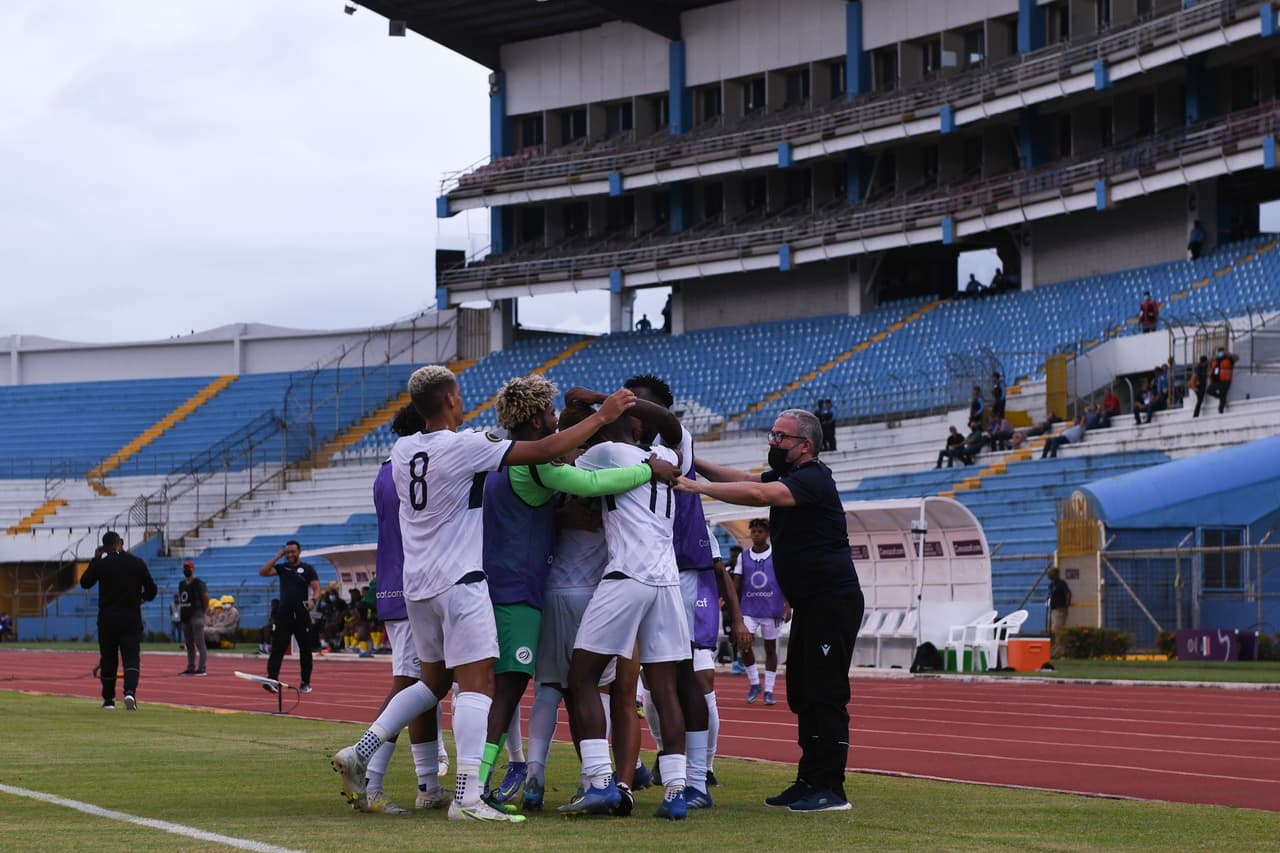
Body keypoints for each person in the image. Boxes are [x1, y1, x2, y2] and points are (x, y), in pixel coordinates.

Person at [330, 364, 637, 824]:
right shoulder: (467, 445)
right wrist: (599, 417)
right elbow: (542, 450)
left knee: (432, 683)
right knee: (480, 686)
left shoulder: (401, 449)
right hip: (461, 581)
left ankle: (363, 750)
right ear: (452, 398)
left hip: (418, 587)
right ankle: (467, 798)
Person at [478, 375, 680, 808]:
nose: (554, 419)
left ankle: (526, 776)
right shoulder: (550, 464)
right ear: (535, 420)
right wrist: (645, 464)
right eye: (548, 413)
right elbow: (589, 486)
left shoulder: (499, 454)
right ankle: (486, 785)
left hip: (520, 587)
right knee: (572, 689)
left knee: (536, 688)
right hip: (539, 590)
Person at [680, 409, 864, 813]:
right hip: (812, 605)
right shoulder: (792, 477)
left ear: (805, 446)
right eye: (772, 435)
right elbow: (744, 479)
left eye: (781, 437)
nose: (773, 442)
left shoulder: (813, 480)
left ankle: (831, 788)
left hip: (832, 602)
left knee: (826, 694)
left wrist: (691, 486)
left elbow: (759, 496)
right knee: (802, 690)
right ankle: (808, 780)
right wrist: (693, 462)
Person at [359, 403, 451, 815]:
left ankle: (428, 784)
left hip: (397, 584)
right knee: (411, 685)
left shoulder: (386, 469)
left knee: (423, 687)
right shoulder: (411, 468)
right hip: (415, 586)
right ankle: (367, 780)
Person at [79, 531, 157, 710]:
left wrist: (95, 560)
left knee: (108, 659)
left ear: (104, 547)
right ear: (121, 542)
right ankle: (130, 692)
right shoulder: (137, 563)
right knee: (131, 658)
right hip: (131, 618)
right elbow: (152, 590)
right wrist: (141, 598)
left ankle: (108, 700)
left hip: (107, 619)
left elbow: (85, 582)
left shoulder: (102, 565)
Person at [733, 519, 789, 706]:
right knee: (744, 643)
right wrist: (731, 602)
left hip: (772, 608)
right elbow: (737, 582)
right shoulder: (744, 556)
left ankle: (769, 690)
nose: (756, 535)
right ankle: (755, 683)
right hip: (749, 608)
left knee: (770, 649)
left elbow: (785, 579)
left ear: (767, 534)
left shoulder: (778, 554)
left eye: (760, 532)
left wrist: (788, 604)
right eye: (754, 531)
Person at [259, 540, 321, 693]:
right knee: (277, 649)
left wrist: (313, 600)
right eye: (287, 552)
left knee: (305, 650)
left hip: (301, 616)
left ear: (299, 552)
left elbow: (317, 588)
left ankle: (305, 682)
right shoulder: (282, 568)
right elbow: (263, 572)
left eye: (293, 552)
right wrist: (277, 556)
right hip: (284, 615)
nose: (290, 555)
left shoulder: (307, 569)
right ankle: (271, 679)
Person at [178, 559, 209, 675]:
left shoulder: (199, 583)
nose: (186, 570)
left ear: (193, 569)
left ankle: (202, 668)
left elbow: (205, 597)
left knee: (200, 643)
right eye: (185, 568)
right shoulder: (181, 584)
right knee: (189, 644)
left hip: (196, 615)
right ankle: (190, 667)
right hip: (185, 616)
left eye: (188, 568)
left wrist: (203, 612)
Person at [1047, 567, 1072, 658]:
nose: (1050, 574)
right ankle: (1052, 651)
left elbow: (1068, 594)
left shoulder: (1061, 584)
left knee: (1057, 630)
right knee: (1052, 631)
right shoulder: (1051, 585)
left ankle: (1059, 651)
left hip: (1059, 610)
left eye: (1052, 573)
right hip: (1052, 610)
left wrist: (1066, 606)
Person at [1207, 347, 1235, 414]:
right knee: (1209, 391)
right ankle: (1220, 397)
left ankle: (1220, 410)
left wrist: (1229, 354)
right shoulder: (1215, 360)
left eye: (1221, 352)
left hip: (1225, 380)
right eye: (1219, 352)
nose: (1220, 353)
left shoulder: (1229, 359)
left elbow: (1236, 357)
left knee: (1223, 394)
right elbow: (1210, 365)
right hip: (1216, 381)